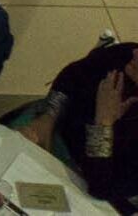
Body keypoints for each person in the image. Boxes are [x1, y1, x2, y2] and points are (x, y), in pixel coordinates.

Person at [16, 41, 138, 209]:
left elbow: (101, 186)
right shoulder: (125, 55)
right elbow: (72, 76)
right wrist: (48, 117)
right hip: (55, 134)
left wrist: (103, 123)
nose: (136, 53)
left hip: (93, 187)